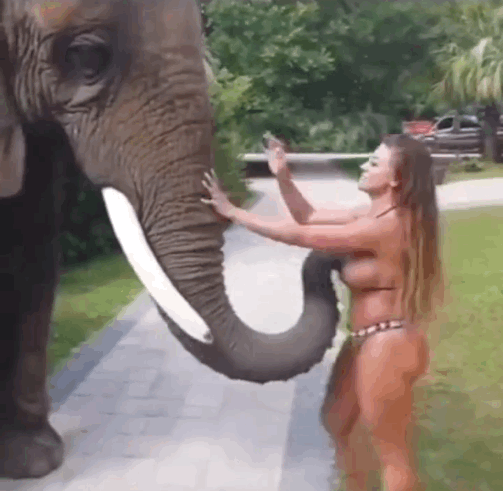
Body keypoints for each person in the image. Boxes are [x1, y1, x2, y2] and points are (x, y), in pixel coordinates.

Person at [201, 134, 444, 491]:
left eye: (374, 162)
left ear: (395, 178)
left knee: (393, 454)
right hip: (366, 341)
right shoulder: (371, 214)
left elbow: (301, 235)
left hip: (389, 345)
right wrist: (282, 175)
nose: (364, 166)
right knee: (338, 421)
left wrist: (234, 212)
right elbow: (308, 217)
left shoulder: (391, 224)